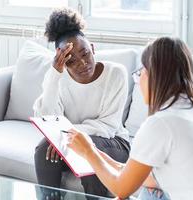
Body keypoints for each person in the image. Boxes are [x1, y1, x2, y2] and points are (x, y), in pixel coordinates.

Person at [66, 37, 193, 200]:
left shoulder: (161, 124)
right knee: (152, 188)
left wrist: (88, 151)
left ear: (151, 76)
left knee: (148, 193)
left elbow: (122, 188)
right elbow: (146, 177)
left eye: (140, 73)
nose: (139, 79)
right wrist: (99, 156)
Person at [33, 7, 130, 198]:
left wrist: (67, 136)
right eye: (72, 61)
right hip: (72, 142)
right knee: (44, 148)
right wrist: (54, 75)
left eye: (85, 54)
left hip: (114, 143)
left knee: (88, 149)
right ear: (63, 63)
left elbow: (108, 127)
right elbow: (47, 119)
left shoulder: (116, 74)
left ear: (93, 48)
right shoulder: (56, 78)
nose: (83, 64)